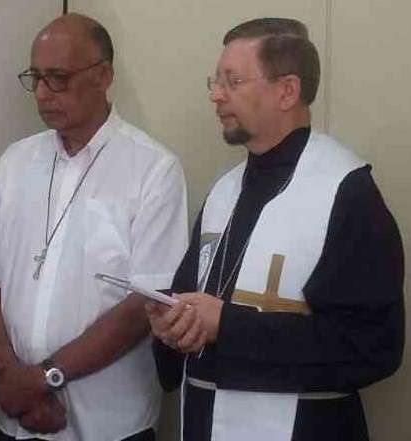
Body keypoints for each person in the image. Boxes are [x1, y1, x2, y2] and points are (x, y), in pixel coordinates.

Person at [148, 18, 405, 441]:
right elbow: (193, 302)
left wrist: (228, 326)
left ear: (287, 91)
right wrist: (172, 327)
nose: (215, 95)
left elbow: (373, 346)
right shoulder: (224, 191)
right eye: (215, 81)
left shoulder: (346, 192)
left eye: (232, 81)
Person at [0, 13, 188, 441]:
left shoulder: (153, 168)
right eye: (36, 78)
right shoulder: (16, 161)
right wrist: (14, 380)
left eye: (59, 79)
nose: (43, 93)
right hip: (17, 417)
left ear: (103, 76)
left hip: (108, 422)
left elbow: (145, 303)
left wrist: (43, 379)